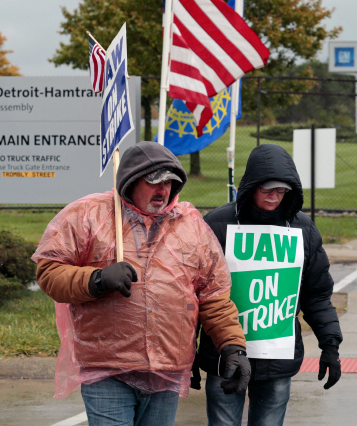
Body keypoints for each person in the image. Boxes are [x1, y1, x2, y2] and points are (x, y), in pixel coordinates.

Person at [32, 141, 250, 426]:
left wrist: (233, 347)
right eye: (154, 181)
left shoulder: (190, 225)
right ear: (131, 180)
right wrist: (97, 279)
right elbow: (49, 271)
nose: (163, 190)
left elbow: (214, 296)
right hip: (107, 368)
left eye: (170, 182)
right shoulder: (88, 215)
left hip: (167, 370)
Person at [194, 144, 343, 426]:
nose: (275, 196)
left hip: (277, 360)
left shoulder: (303, 229)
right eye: (268, 189)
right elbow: (196, 295)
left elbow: (317, 294)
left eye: (282, 191)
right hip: (224, 354)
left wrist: (330, 345)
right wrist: (187, 353)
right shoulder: (217, 224)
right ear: (252, 186)